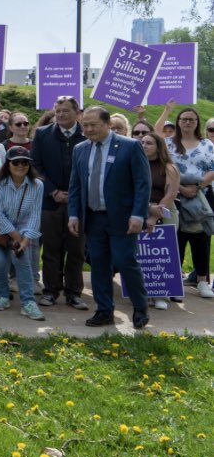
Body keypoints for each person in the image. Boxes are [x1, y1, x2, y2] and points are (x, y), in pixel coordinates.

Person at [68, 106, 152, 329]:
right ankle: (104, 310)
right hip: (93, 218)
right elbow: (76, 185)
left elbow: (143, 184)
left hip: (123, 218)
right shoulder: (80, 149)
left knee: (125, 261)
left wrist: (138, 214)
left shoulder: (131, 146)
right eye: (85, 125)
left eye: (93, 125)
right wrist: (74, 214)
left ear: (107, 124)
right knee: (99, 264)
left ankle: (140, 307)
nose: (88, 129)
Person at [30, 95, 90, 311]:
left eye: (65, 110)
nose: (61, 115)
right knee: (51, 249)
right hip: (50, 202)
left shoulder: (87, 136)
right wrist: (53, 191)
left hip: (79, 204)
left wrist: (74, 195)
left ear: (77, 113)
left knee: (76, 250)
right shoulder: (43, 134)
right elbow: (34, 165)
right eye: (58, 111)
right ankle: (51, 291)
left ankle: (74, 293)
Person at [0, 147, 45, 321]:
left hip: (23, 229)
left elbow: (35, 214)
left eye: (25, 162)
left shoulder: (37, 185)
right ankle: (2, 295)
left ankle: (28, 303)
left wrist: (27, 238)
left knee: (22, 260)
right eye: (16, 162)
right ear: (8, 164)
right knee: (0, 262)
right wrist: (17, 237)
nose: (20, 166)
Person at [160, 107, 214, 299]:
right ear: (178, 121)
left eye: (192, 119)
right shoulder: (168, 144)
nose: (188, 122)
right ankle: (175, 281)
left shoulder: (207, 144)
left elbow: (213, 168)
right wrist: (181, 188)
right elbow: (163, 165)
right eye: (184, 119)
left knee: (200, 239)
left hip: (200, 197)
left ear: (197, 122)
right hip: (173, 196)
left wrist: (197, 187)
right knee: (176, 238)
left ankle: (201, 281)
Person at [140, 131, 180, 310]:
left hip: (165, 209)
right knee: (142, 254)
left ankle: (161, 295)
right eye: (142, 143)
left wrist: (155, 215)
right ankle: (143, 292)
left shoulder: (169, 167)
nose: (145, 146)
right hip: (141, 209)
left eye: (149, 143)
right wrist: (147, 210)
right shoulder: (136, 164)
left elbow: (171, 193)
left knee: (161, 253)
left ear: (159, 147)